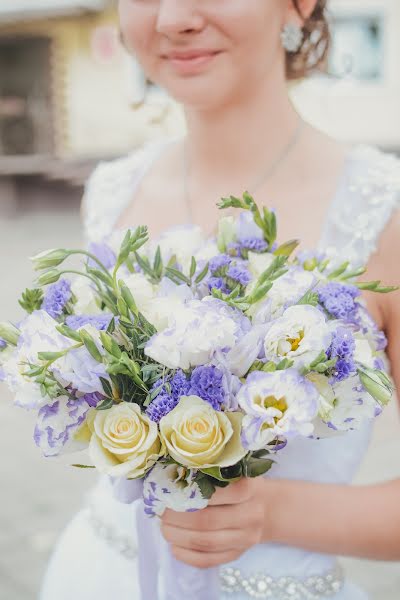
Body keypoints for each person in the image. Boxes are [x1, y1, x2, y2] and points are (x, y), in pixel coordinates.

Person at [40, 1, 400, 599]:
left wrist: (271, 511)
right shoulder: (112, 192)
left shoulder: (384, 215)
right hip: (95, 573)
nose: (172, 18)